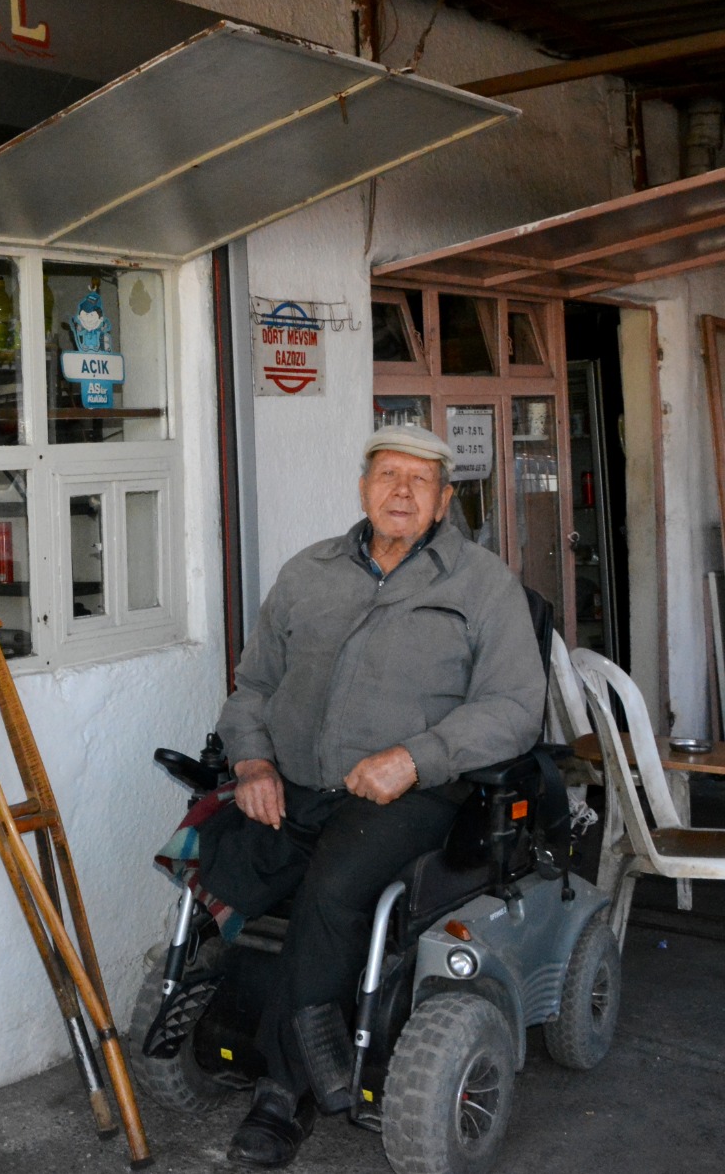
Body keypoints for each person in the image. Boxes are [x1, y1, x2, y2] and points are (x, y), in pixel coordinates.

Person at [200, 424, 545, 1169]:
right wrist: (253, 762)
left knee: (334, 890)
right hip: (292, 781)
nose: (401, 491)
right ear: (363, 487)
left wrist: (416, 759)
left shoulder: (482, 584)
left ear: (445, 499)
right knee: (221, 856)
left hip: (409, 794)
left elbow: (516, 706)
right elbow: (253, 685)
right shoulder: (308, 571)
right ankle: (264, 1013)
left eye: (420, 481)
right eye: (388, 475)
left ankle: (282, 1093)